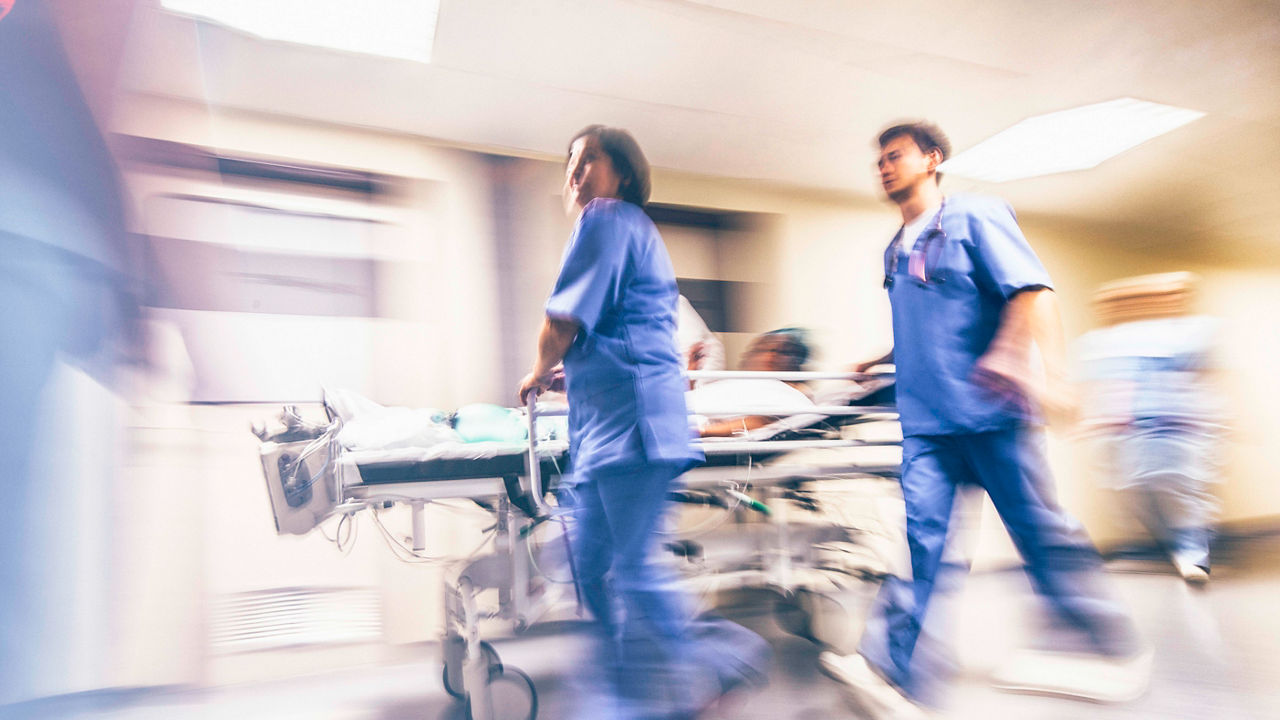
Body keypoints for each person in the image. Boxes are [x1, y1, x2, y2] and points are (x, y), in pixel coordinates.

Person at [820, 121, 1148, 717]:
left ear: (932, 160)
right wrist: (883, 357)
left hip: (991, 413)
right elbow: (932, 319)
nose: (884, 167)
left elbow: (1030, 291)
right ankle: (894, 674)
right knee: (922, 545)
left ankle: (1109, 649)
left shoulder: (974, 216)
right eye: (879, 161)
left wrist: (1039, 369)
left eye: (895, 157)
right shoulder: (895, 249)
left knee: (1042, 537)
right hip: (927, 426)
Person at [517, 125, 769, 720]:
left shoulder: (607, 218)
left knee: (629, 568)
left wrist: (535, 370)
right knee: (584, 563)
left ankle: (721, 662)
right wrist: (565, 376)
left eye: (589, 160)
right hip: (609, 429)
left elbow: (563, 320)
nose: (576, 174)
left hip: (634, 428)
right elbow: (613, 331)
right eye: (569, 165)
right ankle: (622, 691)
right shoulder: (624, 232)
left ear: (622, 173)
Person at [1076, 272, 1223, 584]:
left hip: (1179, 428)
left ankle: (1193, 554)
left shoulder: (1193, 332)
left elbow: (1204, 377)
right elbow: (1102, 386)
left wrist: (1217, 418)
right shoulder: (1104, 342)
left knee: (1182, 492)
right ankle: (1167, 543)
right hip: (1128, 431)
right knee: (1131, 489)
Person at [691, 328, 814, 437]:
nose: (771, 356)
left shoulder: (790, 394)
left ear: (797, 364)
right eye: (762, 349)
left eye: (783, 352)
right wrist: (691, 372)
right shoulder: (737, 383)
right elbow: (694, 400)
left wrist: (704, 431)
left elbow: (762, 421)